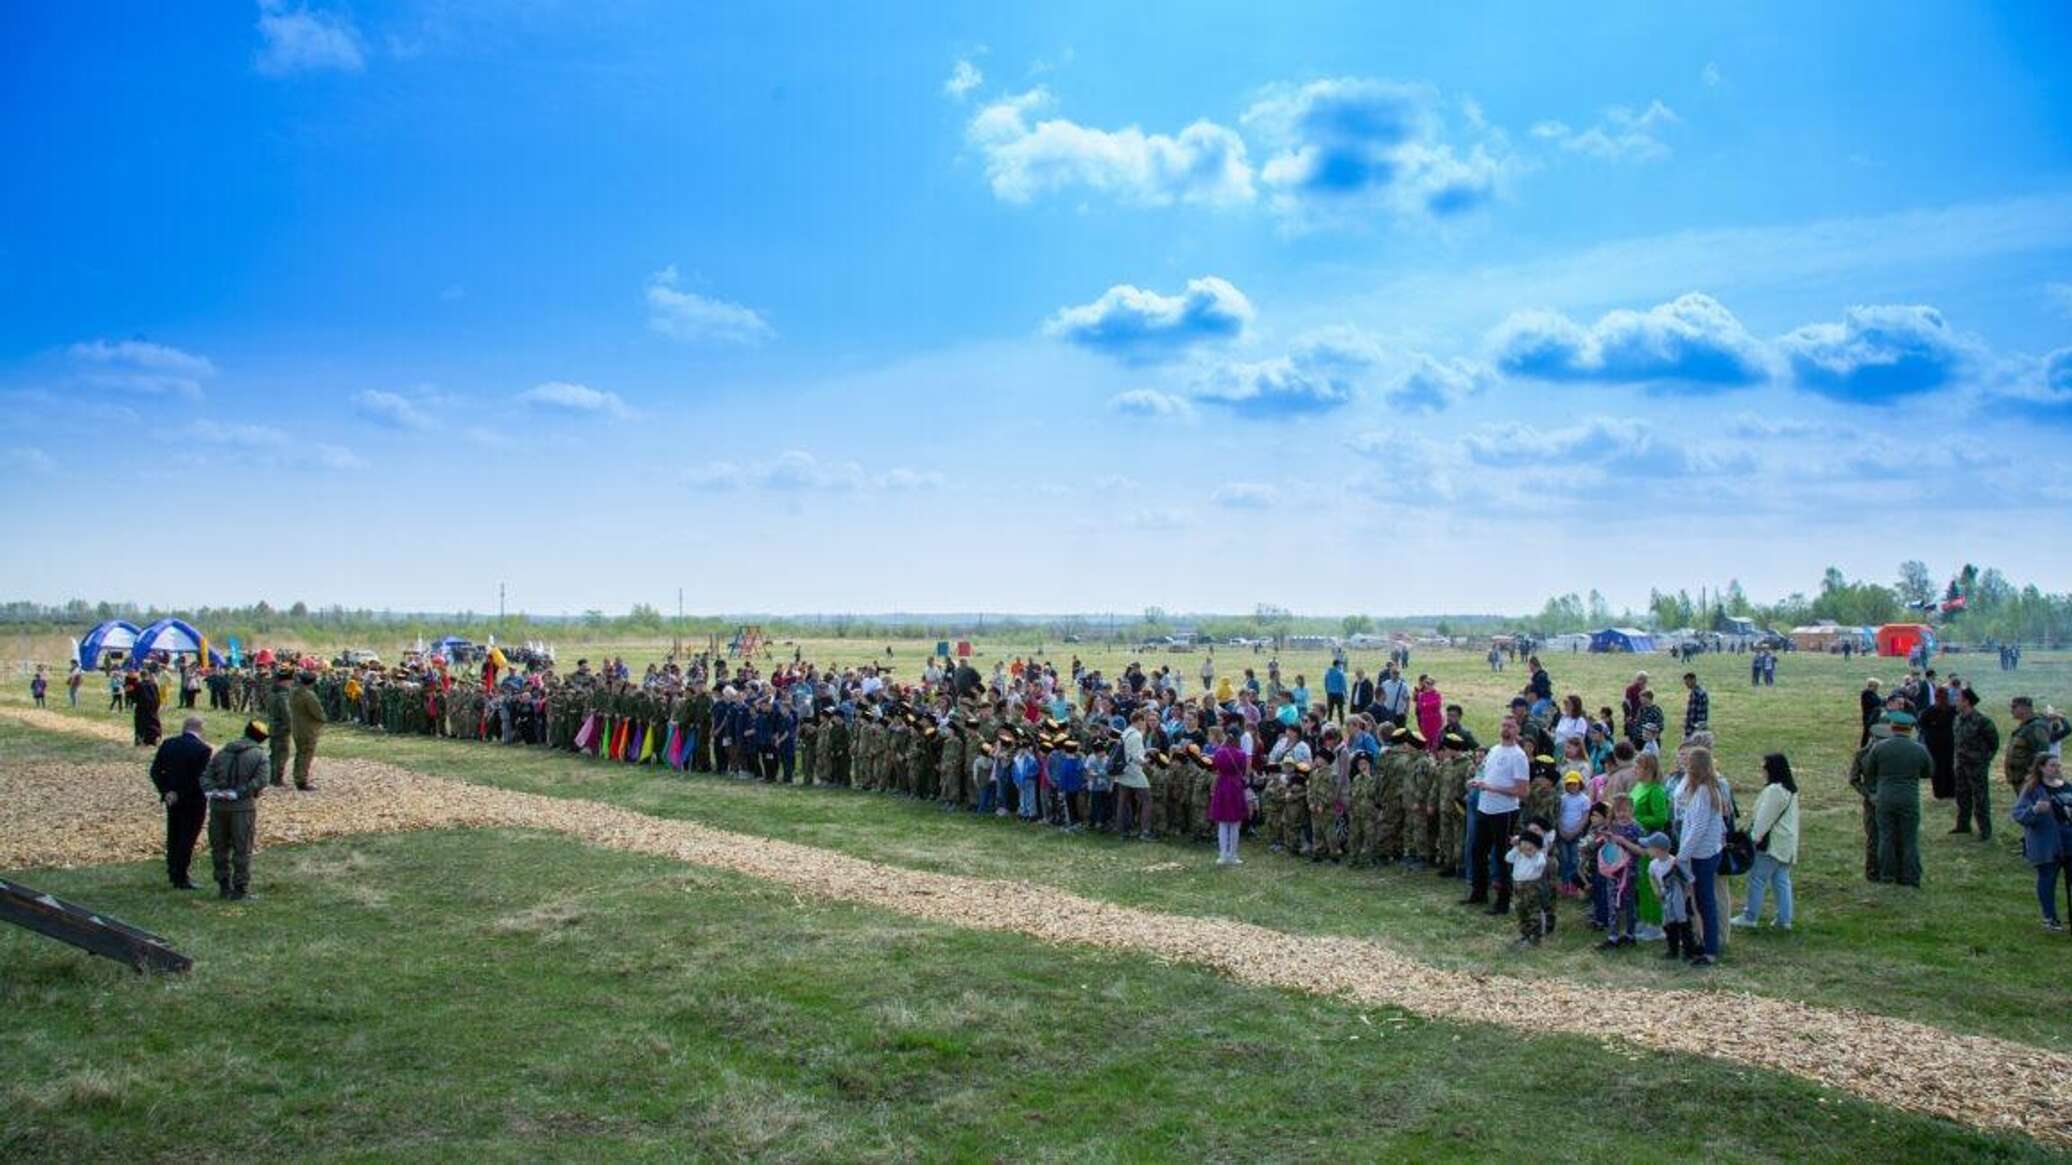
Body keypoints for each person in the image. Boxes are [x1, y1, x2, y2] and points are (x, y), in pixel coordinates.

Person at [201, 720, 272, 900]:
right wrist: (238, 792)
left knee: (219, 847)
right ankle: (240, 888)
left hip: (218, 806)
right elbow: (262, 780)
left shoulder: (223, 752)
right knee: (242, 848)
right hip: (242, 807)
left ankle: (223, 886)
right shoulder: (259, 755)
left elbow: (206, 776)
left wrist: (215, 791)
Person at [1463, 718, 1527, 915]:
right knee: (1478, 851)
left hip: (1504, 811)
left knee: (1501, 856)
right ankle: (1479, 892)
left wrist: (1491, 787)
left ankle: (1503, 901)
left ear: (1517, 730)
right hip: (1485, 807)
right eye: (1504, 725)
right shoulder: (1494, 750)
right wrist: (1478, 781)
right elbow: (1488, 776)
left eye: (1510, 726)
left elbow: (1522, 790)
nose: (1506, 729)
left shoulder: (1518, 756)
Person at [1673, 747, 1729, 965]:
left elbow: (1698, 827)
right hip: (1706, 852)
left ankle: (1710, 949)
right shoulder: (1708, 789)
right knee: (1702, 900)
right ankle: (1705, 942)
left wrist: (1682, 855)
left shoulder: (1705, 792)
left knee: (1705, 902)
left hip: (1702, 855)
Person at [1866, 711, 1933, 887]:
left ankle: (1888, 875)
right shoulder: (1919, 748)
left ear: (1892, 727)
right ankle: (1910, 877)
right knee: (1909, 838)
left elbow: (1869, 771)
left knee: (1886, 837)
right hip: (1909, 797)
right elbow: (1928, 772)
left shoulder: (1879, 747)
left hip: (1885, 797)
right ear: (1910, 729)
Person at [1734, 753, 1799, 931]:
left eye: (1764, 768)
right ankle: (1784, 919)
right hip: (1786, 843)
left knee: (1757, 878)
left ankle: (1750, 916)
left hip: (1771, 843)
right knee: (1781, 879)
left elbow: (1764, 819)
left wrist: (1753, 838)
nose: (1762, 772)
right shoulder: (1790, 790)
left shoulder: (1774, 791)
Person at [148, 715, 212, 890]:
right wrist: (180, 793)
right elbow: (197, 779)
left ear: (184, 727)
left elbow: (155, 771)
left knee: (174, 834)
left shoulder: (169, 744)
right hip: (193, 799)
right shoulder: (203, 750)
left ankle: (172, 870)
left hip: (172, 799)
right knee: (187, 837)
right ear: (200, 729)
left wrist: (167, 791)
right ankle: (181, 875)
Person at [2011, 755, 2072, 932]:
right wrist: (2035, 810)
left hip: (2069, 841)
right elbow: (2018, 814)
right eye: (2052, 765)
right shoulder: (2032, 790)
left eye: (2058, 765)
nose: (2056, 768)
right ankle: (2050, 918)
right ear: (2042, 768)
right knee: (2048, 879)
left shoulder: (2067, 787)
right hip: (2046, 844)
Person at [1951, 688, 2000, 840]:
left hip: (1977, 765)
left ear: (1967, 702)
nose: (1955, 701)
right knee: (1962, 796)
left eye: (1958, 699)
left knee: (1980, 798)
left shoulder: (1982, 721)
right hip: (1961, 764)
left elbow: (1994, 743)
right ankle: (1963, 825)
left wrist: (1985, 759)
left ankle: (1985, 830)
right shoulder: (1958, 719)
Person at [1209, 730, 1249, 865]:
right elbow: (1243, 768)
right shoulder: (1241, 754)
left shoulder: (1220, 752)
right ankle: (1233, 854)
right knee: (1235, 823)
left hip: (1222, 785)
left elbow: (1215, 767)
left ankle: (1222, 854)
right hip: (1236, 786)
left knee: (1222, 823)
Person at [289, 670, 327, 790]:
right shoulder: (309, 695)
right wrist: (323, 719)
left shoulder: (294, 692)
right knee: (306, 754)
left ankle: (297, 776)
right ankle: (301, 780)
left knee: (300, 753)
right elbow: (318, 713)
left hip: (297, 727)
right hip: (308, 729)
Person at [132, 667, 163, 746]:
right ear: (148, 675)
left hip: (142, 707)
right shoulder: (153, 684)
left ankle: (140, 739)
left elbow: (135, 697)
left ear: (141, 676)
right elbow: (157, 696)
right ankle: (154, 738)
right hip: (153, 707)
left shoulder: (139, 685)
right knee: (153, 722)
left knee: (141, 723)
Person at [1681, 672, 1709, 739]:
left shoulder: (1696, 694)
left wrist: (1694, 730)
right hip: (1697, 729)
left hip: (1695, 730)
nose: (1686, 684)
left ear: (1693, 680)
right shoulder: (1701, 692)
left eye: (1687, 682)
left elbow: (1697, 714)